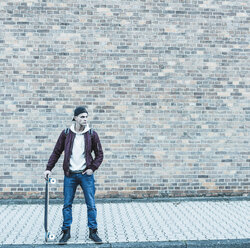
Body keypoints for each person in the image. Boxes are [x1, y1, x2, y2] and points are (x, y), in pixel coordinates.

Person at [44, 106, 104, 245]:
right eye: (82, 116)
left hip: (86, 175)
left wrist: (92, 168)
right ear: (75, 118)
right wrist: (48, 168)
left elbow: (99, 154)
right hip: (70, 175)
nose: (85, 119)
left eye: (86, 116)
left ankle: (93, 232)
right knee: (67, 205)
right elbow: (56, 152)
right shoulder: (66, 133)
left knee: (91, 205)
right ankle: (66, 232)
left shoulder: (92, 134)